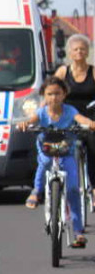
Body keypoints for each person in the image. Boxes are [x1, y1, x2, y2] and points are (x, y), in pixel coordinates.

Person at [18, 76, 94, 247]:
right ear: (44, 95)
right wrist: (24, 124)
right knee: (44, 163)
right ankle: (36, 191)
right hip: (47, 150)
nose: (54, 98)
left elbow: (81, 119)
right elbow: (30, 121)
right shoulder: (41, 112)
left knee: (73, 190)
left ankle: (78, 232)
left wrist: (90, 123)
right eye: (50, 94)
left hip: (67, 153)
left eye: (57, 93)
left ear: (64, 94)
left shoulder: (70, 111)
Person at [54, 33, 95, 203]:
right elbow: (51, 92)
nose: (79, 52)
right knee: (59, 146)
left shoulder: (93, 71)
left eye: (82, 49)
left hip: (90, 116)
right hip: (68, 116)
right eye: (76, 49)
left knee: (93, 147)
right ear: (70, 53)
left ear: (87, 52)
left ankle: (94, 188)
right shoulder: (63, 72)